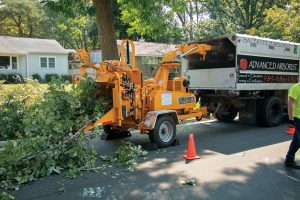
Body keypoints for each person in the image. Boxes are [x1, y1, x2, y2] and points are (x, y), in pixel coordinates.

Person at [284, 82, 300, 169]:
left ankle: (289, 161)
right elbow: (290, 103)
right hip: (298, 118)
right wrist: (291, 119)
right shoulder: (295, 88)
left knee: (296, 142)